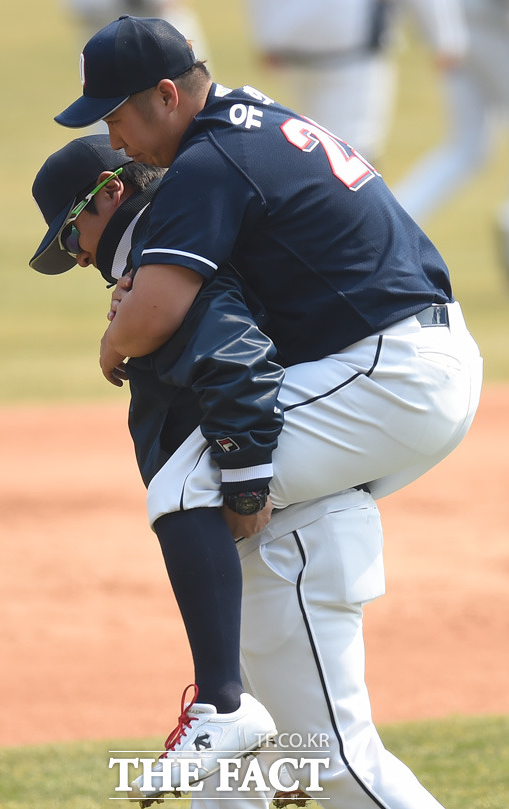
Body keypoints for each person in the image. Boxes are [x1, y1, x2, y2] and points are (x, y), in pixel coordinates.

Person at [30, 133, 480, 808]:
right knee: (231, 782)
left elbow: (237, 361)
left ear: (110, 194)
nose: (80, 256)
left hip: (289, 541)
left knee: (338, 767)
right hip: (275, 537)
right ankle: (224, 712)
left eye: (72, 236)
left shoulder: (175, 258)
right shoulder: (167, 260)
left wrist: (241, 478)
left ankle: (222, 707)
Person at [242, 0, 468, 163]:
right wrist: (445, 37)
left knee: (310, 150)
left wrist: (266, 36)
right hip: (350, 49)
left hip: (292, 44)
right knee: (354, 156)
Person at [393, 0, 509, 273]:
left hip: (452, 21)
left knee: (465, 147)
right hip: (492, 21)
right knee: (465, 146)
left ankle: (391, 224)